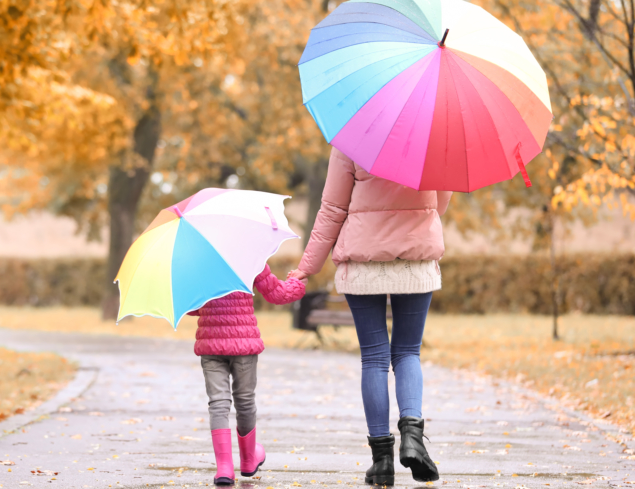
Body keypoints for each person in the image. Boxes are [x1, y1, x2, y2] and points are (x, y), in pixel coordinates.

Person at [288, 147, 451, 485]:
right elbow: (440, 202)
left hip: (363, 263)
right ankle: (413, 438)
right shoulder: (434, 135)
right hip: (415, 258)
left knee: (374, 358)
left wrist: (307, 267)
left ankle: (381, 462)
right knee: (407, 352)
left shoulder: (350, 137)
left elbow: (332, 209)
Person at [189, 264, 306, 485]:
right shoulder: (250, 257)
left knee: (218, 403)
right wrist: (298, 283)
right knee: (244, 400)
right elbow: (277, 294)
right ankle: (249, 459)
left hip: (211, 343)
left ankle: (224, 468)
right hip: (243, 342)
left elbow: (192, 307)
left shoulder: (199, 263)